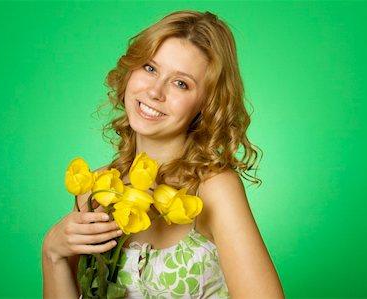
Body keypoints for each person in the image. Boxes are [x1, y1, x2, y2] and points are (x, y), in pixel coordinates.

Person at [42, 10, 284, 298]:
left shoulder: (214, 189)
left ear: (206, 105)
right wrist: (52, 254)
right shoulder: (97, 189)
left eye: (181, 83)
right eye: (149, 68)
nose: (155, 91)